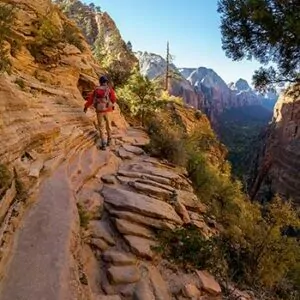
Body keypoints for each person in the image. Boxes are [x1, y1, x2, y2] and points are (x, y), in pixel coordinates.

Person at [84, 76, 117, 150]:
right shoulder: (109, 89)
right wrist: (109, 104)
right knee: (108, 125)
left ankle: (103, 144)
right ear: (106, 82)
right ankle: (109, 140)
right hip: (108, 110)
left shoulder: (96, 90)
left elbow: (91, 100)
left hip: (99, 111)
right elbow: (114, 99)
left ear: (100, 82)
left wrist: (86, 107)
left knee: (101, 127)